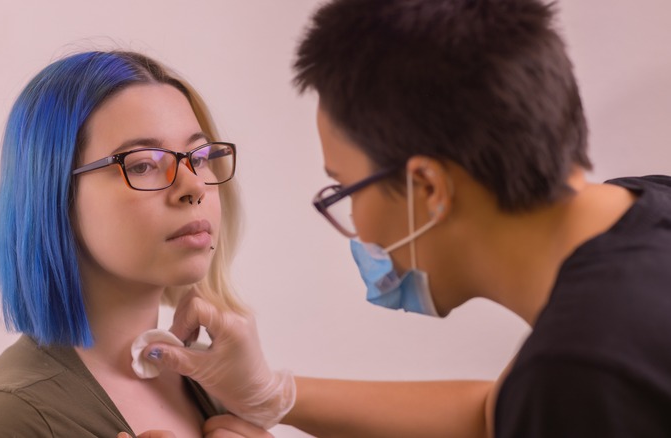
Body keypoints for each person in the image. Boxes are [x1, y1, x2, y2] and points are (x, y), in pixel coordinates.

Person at [142, 0, 671, 437]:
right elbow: (495, 416)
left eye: (347, 188)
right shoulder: (647, 211)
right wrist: (273, 393)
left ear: (428, 190)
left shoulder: (585, 368)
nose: (357, 224)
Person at [0, 50, 268, 438]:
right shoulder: (7, 418)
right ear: (54, 194)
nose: (195, 186)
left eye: (199, 157)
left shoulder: (216, 384)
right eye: (143, 164)